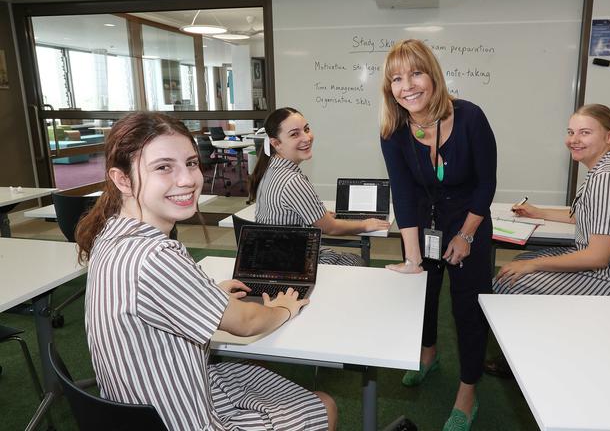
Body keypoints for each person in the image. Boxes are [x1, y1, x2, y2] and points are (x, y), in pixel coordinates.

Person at [76, 112, 336, 431]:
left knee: (247, 370)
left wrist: (207, 295)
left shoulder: (111, 233)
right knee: (324, 405)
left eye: (190, 163)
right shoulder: (156, 255)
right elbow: (247, 322)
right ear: (122, 180)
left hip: (139, 408)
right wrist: (283, 308)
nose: (187, 180)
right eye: (163, 167)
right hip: (183, 419)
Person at [379, 39, 497, 431]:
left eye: (415, 73)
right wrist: (413, 259)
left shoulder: (469, 118)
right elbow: (403, 192)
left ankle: (468, 391)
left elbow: (486, 184)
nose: (407, 85)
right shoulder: (393, 130)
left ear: (433, 75)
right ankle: (428, 354)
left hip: (470, 222)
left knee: (467, 307)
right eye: (396, 78)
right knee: (423, 297)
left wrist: (465, 236)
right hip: (425, 224)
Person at [494, 104, 610, 294]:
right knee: (520, 262)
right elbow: (591, 216)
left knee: (507, 282)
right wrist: (539, 212)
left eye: (584, 132)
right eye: (570, 132)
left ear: (609, 136)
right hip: (609, 269)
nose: (573, 140)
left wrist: (533, 265)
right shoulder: (608, 165)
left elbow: (597, 258)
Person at [248, 107, 391, 266]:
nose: (306, 137)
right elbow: (331, 228)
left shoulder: (270, 169)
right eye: (295, 134)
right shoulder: (293, 181)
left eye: (306, 129)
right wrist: (365, 224)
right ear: (276, 143)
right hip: (294, 263)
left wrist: (315, 215)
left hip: (274, 257)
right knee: (357, 261)